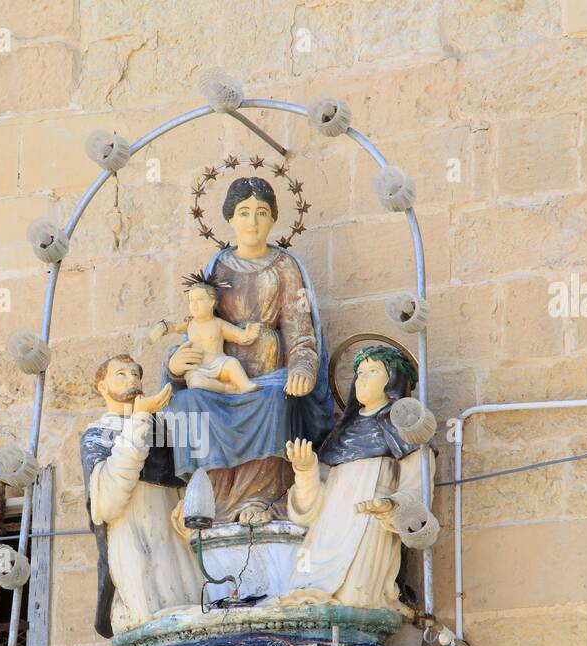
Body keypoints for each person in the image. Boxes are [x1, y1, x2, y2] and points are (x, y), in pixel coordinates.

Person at [162, 176, 332, 523]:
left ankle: (261, 499)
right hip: (216, 376)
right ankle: (210, 499)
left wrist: (302, 369)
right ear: (229, 218)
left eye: (261, 212)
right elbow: (194, 329)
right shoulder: (217, 268)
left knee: (274, 402)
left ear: (273, 219)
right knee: (185, 403)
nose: (252, 221)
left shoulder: (285, 267)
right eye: (243, 212)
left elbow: (300, 334)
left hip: (269, 379)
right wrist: (176, 365)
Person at [281, 345, 434, 614]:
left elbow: (417, 490)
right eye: (359, 372)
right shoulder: (339, 437)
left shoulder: (404, 434)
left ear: (393, 379)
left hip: (369, 530)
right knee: (301, 599)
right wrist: (306, 472)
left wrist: (389, 505)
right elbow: (310, 511)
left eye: (372, 371)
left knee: (354, 599)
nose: (361, 379)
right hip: (327, 535)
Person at [81, 354, 202, 637]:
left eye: (135, 374)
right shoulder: (97, 436)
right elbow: (107, 503)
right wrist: (138, 422)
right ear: (102, 386)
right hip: (135, 542)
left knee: (191, 611)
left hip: (175, 541)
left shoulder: (163, 430)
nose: (131, 380)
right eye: (120, 374)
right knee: (150, 622)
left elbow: (189, 482)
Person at [150, 271, 261, 394]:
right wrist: (163, 327)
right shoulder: (190, 323)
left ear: (212, 302)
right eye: (191, 300)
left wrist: (249, 333)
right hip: (197, 368)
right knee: (195, 383)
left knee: (232, 363)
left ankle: (245, 385)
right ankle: (226, 388)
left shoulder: (218, 324)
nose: (194, 305)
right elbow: (174, 327)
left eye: (200, 299)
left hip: (218, 363)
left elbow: (239, 336)